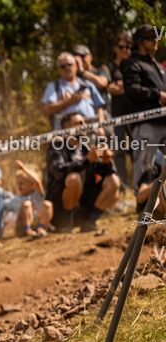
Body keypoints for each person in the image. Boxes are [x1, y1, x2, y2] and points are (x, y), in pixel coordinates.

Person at [44, 112, 120, 233]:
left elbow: (102, 174)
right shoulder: (57, 147)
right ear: (67, 128)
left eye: (84, 122)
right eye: (80, 123)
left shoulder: (86, 148)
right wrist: (87, 161)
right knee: (74, 178)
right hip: (59, 209)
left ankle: (89, 223)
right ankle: (66, 224)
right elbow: (59, 172)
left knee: (114, 181)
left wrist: (107, 161)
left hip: (84, 206)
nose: (85, 125)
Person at [123, 25, 166, 194]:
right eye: (150, 37)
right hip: (145, 122)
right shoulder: (132, 64)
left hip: (164, 121)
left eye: (156, 36)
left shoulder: (159, 67)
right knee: (144, 163)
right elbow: (131, 89)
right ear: (140, 42)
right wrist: (158, 95)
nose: (155, 40)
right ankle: (141, 202)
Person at [42, 52, 107, 130]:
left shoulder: (88, 84)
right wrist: (69, 101)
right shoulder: (53, 87)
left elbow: (99, 108)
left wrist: (101, 128)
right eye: (63, 66)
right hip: (66, 135)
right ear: (59, 70)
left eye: (69, 64)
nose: (67, 68)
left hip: (90, 131)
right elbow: (47, 110)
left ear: (76, 65)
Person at [104, 34, 134, 190]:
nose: (125, 50)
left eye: (128, 47)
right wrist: (126, 87)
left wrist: (121, 86)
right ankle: (123, 185)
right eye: (121, 46)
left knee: (137, 149)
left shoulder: (133, 65)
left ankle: (139, 183)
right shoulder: (109, 67)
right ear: (115, 48)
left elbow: (135, 87)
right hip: (116, 115)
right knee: (119, 150)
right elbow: (110, 88)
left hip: (134, 113)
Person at [5, 162, 52, 238]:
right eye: (18, 183)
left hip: (38, 222)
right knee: (27, 204)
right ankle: (28, 231)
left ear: (32, 184)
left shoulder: (37, 194)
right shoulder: (16, 199)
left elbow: (37, 181)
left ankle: (40, 229)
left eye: (21, 183)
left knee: (47, 204)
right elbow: (4, 207)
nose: (19, 186)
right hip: (23, 227)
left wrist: (23, 169)